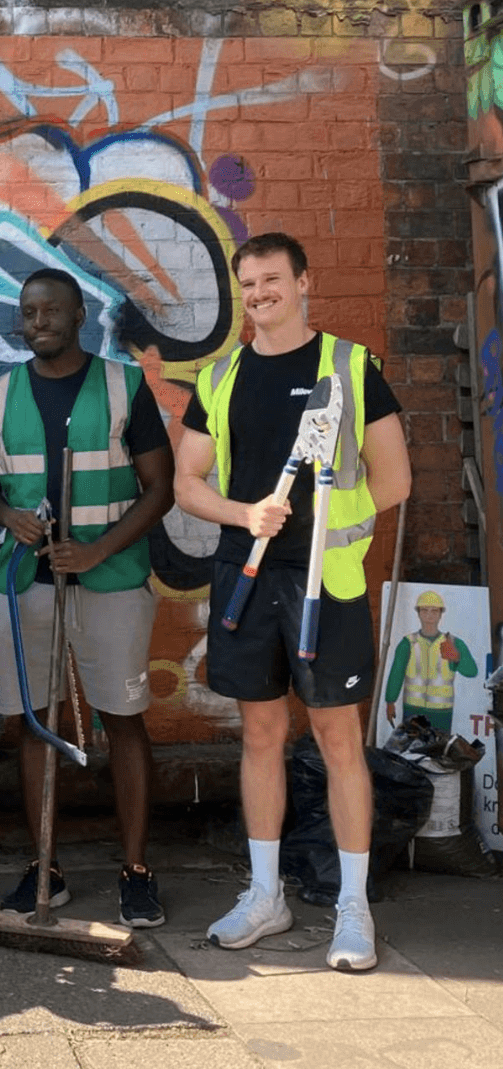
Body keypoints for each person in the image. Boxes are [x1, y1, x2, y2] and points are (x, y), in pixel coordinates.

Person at [175, 231, 410, 973]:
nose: (258, 295)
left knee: (340, 742)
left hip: (325, 584)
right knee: (260, 737)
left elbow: (394, 479)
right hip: (246, 578)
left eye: (271, 280)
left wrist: (321, 528)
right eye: (248, 284)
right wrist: (247, 515)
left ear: (304, 282)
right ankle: (267, 895)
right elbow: (187, 484)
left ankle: (352, 907)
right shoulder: (220, 377)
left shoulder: (349, 366)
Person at [0, 268, 174, 928]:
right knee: (35, 723)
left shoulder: (124, 386)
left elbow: (160, 488)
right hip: (26, 581)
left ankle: (137, 870)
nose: (39, 322)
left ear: (79, 313)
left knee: (123, 719)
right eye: (29, 312)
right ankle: (45, 868)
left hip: (110, 581)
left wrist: (97, 550)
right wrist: (9, 518)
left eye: (52, 310)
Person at [385, 590, 479, 733]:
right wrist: (390, 701)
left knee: (439, 752)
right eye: (425, 610)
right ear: (418, 613)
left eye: (434, 611)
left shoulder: (453, 643)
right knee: (411, 751)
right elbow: (396, 673)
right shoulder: (408, 643)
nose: (429, 615)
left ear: (441, 614)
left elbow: (472, 671)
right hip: (413, 708)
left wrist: (457, 658)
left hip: (441, 711)